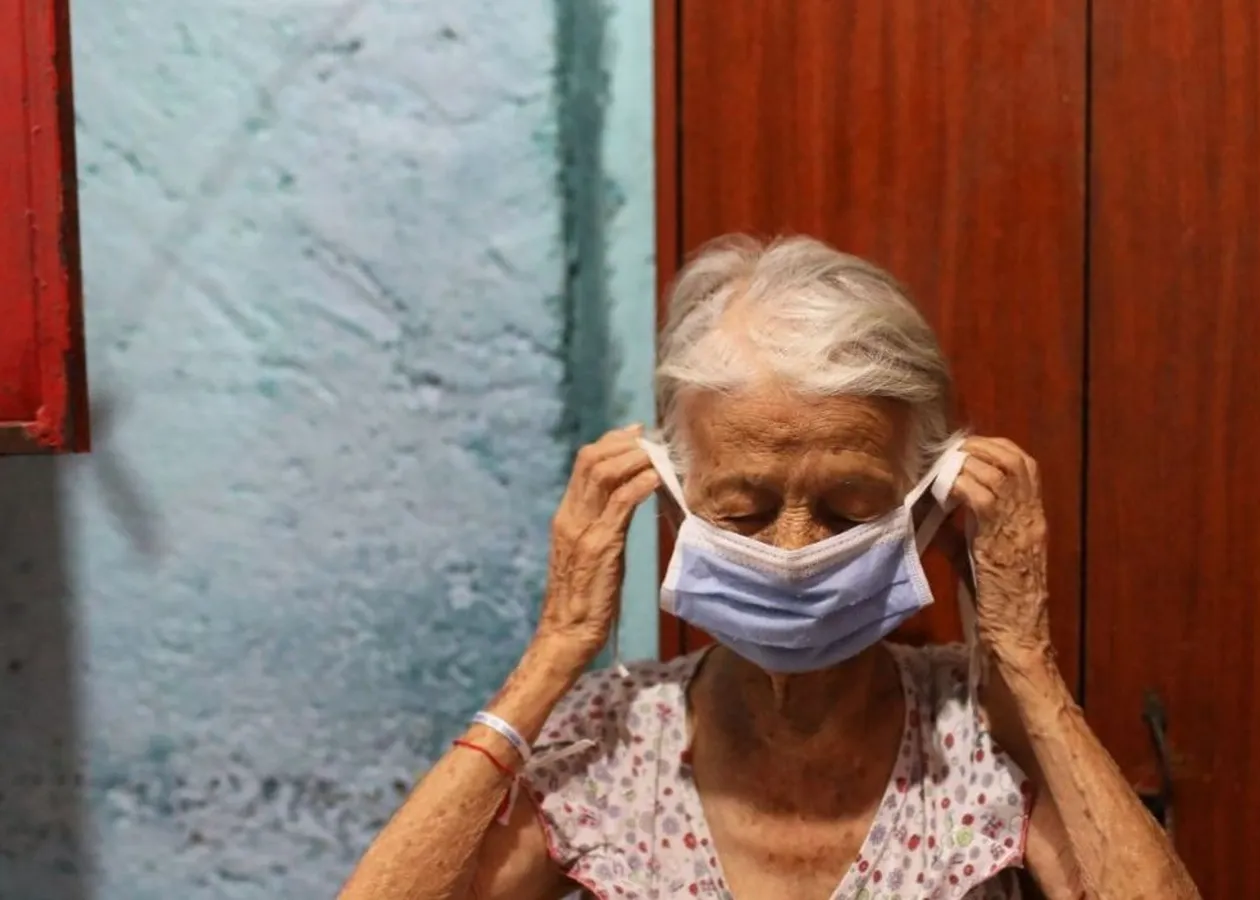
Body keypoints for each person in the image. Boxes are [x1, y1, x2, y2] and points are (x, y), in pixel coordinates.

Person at [340, 236, 1200, 899]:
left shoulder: (979, 735)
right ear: (673, 501)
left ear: (926, 506)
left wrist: (1027, 663)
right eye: (744, 511)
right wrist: (557, 647)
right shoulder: (611, 741)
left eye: (848, 510)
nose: (792, 552)